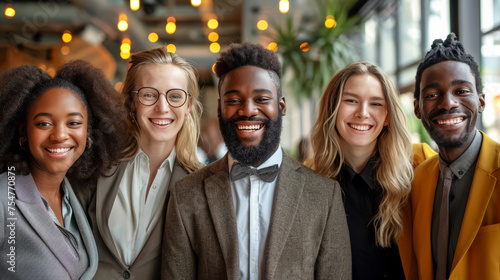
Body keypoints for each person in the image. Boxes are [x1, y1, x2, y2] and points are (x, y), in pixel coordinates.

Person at [162, 42, 351, 279]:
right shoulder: (186, 195)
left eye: (261, 99)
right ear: (220, 107)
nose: (247, 110)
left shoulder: (325, 196)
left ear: (280, 106)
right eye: (233, 101)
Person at [75, 46, 204, 280]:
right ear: (132, 101)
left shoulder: (202, 184)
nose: (162, 107)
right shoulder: (97, 166)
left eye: (175, 96)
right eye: (148, 94)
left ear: (188, 105)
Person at [0, 60, 127, 279]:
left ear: (89, 132)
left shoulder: (76, 197)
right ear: (23, 132)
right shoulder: (3, 198)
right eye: (44, 124)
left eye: (74, 123)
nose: (59, 135)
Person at [399, 33, 499, 280]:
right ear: (417, 109)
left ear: (481, 101)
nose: (447, 103)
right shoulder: (416, 180)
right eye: (432, 95)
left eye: (462, 90)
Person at [308, 61, 414, 279]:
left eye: (376, 104)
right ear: (333, 109)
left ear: (387, 117)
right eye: (351, 100)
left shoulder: (414, 178)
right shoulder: (307, 185)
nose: (362, 113)